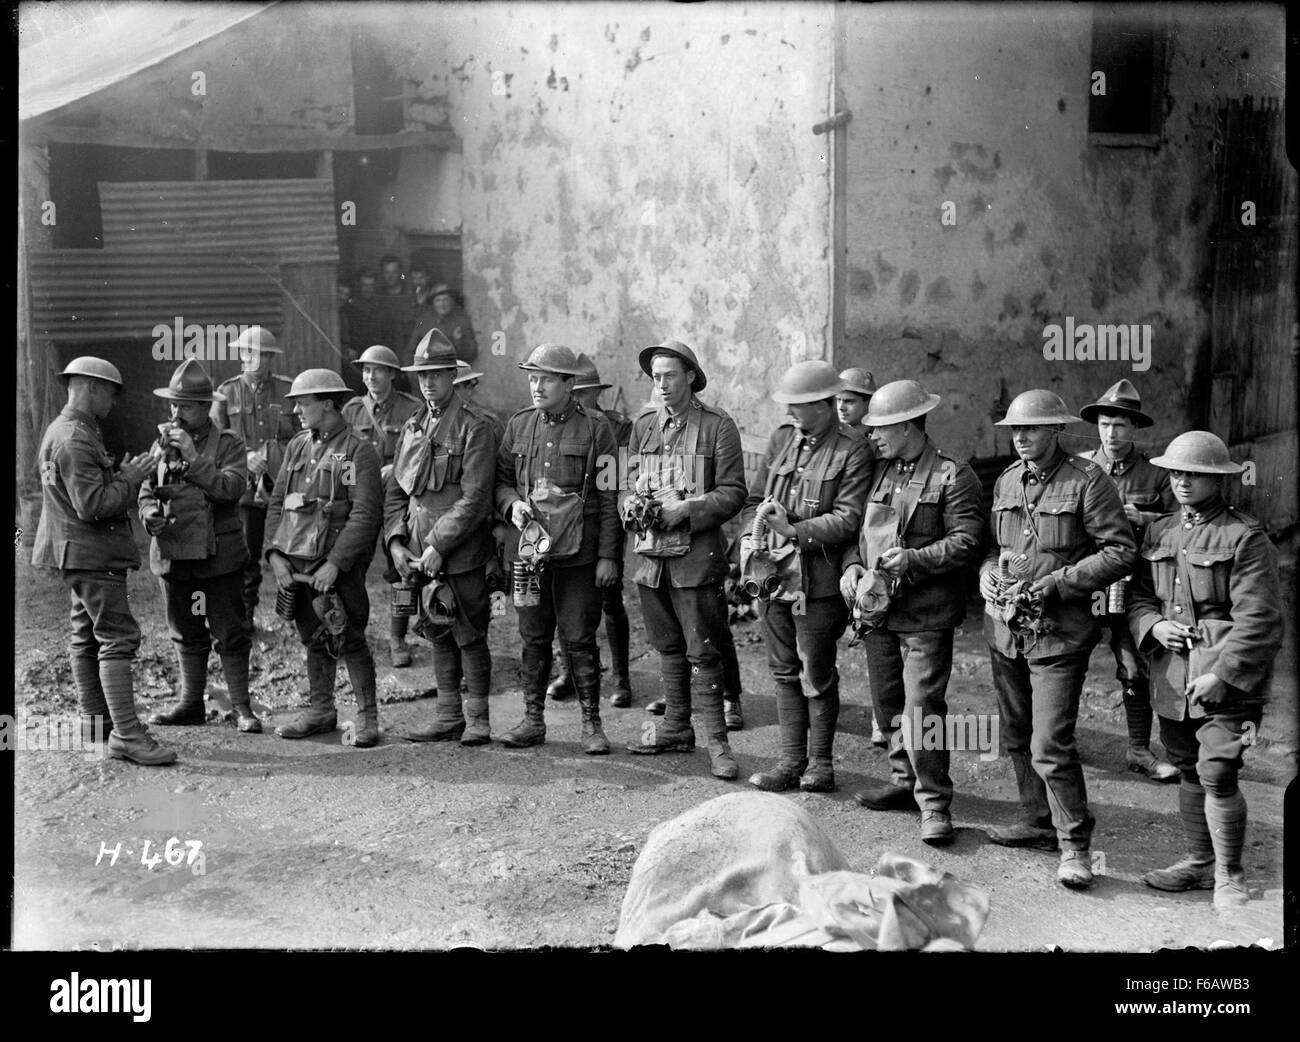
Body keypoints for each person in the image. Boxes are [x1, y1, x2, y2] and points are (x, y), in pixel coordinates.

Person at [978, 390, 1136, 890]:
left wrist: (1059, 583)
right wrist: (986, 574)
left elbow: (1120, 552)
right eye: (1015, 430)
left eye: (1031, 429)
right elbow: (994, 549)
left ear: (1057, 432)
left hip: (1059, 633)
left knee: (1051, 743)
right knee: (1016, 734)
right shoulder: (1005, 481)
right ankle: (1036, 821)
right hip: (1005, 629)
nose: (1021, 437)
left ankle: (1075, 846)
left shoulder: (1089, 482)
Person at [1128, 432, 1282, 909]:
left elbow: (1260, 618)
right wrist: (1154, 627)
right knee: (1189, 769)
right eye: (1175, 473)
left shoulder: (1244, 537)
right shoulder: (1159, 532)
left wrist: (1225, 673)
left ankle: (1229, 874)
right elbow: (1138, 597)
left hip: (1226, 680)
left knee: (1218, 771)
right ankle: (1199, 861)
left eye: (1194, 474)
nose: (1182, 482)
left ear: (1218, 479)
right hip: (1173, 674)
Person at [840, 380, 986, 843]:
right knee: (887, 704)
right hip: (878, 612)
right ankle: (904, 782)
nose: (873, 435)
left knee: (922, 709)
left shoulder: (953, 475)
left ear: (907, 425)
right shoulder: (881, 471)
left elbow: (967, 541)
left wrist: (916, 560)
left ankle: (935, 804)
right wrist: (852, 567)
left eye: (880, 426)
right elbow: (859, 533)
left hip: (926, 614)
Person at [32, 357, 175, 765]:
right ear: (91, 387)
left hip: (74, 552)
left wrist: (124, 474)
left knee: (87, 634)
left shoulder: (65, 431)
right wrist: (130, 478)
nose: (113, 402)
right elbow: (93, 505)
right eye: (111, 393)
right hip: (93, 554)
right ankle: (127, 735)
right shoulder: (75, 439)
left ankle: (95, 725)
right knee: (117, 637)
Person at [740, 361, 872, 794]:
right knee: (782, 672)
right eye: (790, 405)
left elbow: (851, 519)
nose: (792, 412)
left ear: (825, 404)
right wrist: (749, 538)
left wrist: (795, 529)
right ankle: (789, 761)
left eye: (800, 405)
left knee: (816, 673)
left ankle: (820, 765)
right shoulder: (782, 439)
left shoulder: (854, 448)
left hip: (817, 581)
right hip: (773, 578)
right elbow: (755, 499)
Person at [622, 341, 747, 779]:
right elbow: (628, 482)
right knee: (668, 646)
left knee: (703, 650)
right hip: (651, 558)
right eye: (655, 377)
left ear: (690, 376)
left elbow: (734, 493)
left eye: (669, 375)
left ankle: (717, 742)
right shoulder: (643, 426)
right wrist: (630, 504)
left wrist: (687, 510)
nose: (661, 385)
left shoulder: (718, 426)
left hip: (695, 558)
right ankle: (677, 726)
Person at [494, 343, 621, 754]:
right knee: (532, 636)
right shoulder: (518, 425)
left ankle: (591, 726)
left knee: (580, 636)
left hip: (578, 556)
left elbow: (608, 497)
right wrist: (511, 503)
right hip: (529, 555)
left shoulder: (596, 428)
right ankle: (533, 721)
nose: (537, 386)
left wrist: (607, 556)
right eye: (532, 378)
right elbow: (500, 480)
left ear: (569, 383)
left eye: (546, 378)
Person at [385, 330, 499, 745]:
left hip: (460, 551)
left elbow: (475, 499)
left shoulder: (475, 427)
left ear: (453, 374)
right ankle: (448, 715)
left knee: (469, 632)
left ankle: (479, 719)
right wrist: (397, 542)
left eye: (437, 374)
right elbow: (397, 490)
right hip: (416, 552)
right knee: (437, 629)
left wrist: (438, 545)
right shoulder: (413, 425)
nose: (429, 383)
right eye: (422, 376)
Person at [264, 369, 384, 747]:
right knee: (313, 637)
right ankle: (321, 711)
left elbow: (365, 515)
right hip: (296, 564)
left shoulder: (357, 450)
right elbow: (276, 503)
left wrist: (336, 563)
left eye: (303, 402)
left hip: (337, 566)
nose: (297, 409)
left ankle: (368, 719)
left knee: (349, 635)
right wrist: (274, 555)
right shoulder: (298, 446)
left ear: (329, 404)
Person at [139, 360, 260, 733]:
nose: (176, 413)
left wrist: (192, 457)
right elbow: (146, 488)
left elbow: (231, 489)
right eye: (173, 404)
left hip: (217, 558)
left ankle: (242, 707)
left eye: (186, 405)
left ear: (206, 406)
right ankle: (190, 704)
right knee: (185, 630)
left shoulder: (228, 443)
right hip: (175, 554)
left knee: (230, 631)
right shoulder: (161, 444)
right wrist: (148, 514)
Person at [1078, 379, 1179, 782]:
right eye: (1105, 424)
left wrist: (1145, 518)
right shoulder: (1081, 467)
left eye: (1120, 425)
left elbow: (1178, 526)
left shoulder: (1156, 475)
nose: (1111, 433)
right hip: (1086, 579)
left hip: (1132, 581)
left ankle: (1138, 748)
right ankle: (1057, 740)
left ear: (1134, 428)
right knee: (1066, 660)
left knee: (1134, 666)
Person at [546, 352, 635, 708]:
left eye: (587, 392)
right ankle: (570, 670)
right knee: (564, 601)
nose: (580, 399)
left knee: (611, 601)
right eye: (576, 392)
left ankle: (622, 678)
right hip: (566, 529)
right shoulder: (556, 424)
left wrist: (610, 551)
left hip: (605, 523)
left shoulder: (615, 427)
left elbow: (617, 484)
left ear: (597, 392)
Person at [341, 344, 425, 667]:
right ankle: (349, 633)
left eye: (377, 370)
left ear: (392, 374)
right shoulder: (352, 411)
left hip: (396, 499)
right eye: (365, 370)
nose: (370, 376)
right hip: (361, 499)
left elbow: (421, 451)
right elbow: (341, 454)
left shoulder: (412, 408)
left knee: (401, 569)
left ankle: (397, 637)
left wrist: (398, 466)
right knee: (350, 564)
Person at [211, 326, 297, 628]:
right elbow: (213, 440)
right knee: (246, 554)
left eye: (255, 354)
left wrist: (272, 454)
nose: (248, 359)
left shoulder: (289, 391)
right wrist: (245, 456)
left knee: (293, 550)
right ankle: (245, 616)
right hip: (245, 488)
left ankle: (300, 616)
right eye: (244, 353)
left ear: (270, 358)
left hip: (283, 486)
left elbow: (302, 438)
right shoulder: (226, 392)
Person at [410, 283, 479, 363]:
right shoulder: (424, 322)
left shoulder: (462, 322)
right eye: (438, 300)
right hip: (430, 370)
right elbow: (411, 351)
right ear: (433, 303)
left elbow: (471, 353)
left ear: (452, 302)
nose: (442, 304)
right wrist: (413, 374)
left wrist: (458, 341)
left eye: (446, 300)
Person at [835, 367, 877, 432]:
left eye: (848, 401)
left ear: (868, 403)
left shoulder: (878, 437)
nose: (841, 407)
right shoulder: (831, 435)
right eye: (838, 400)